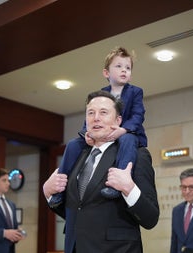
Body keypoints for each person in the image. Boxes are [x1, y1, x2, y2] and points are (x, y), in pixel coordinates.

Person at [43, 90, 159, 253]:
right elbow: (80, 211)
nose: (95, 118)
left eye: (103, 112)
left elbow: (151, 218)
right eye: (90, 113)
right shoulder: (79, 155)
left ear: (118, 120)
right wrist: (49, 194)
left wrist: (129, 188)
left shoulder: (137, 155)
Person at [49, 46, 147, 207]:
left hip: (127, 132)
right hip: (103, 134)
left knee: (128, 140)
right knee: (74, 144)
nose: (124, 70)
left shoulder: (135, 92)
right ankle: (60, 189)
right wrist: (86, 133)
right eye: (119, 66)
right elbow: (92, 117)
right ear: (106, 73)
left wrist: (123, 130)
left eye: (128, 68)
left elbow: (138, 115)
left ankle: (117, 184)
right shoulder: (102, 93)